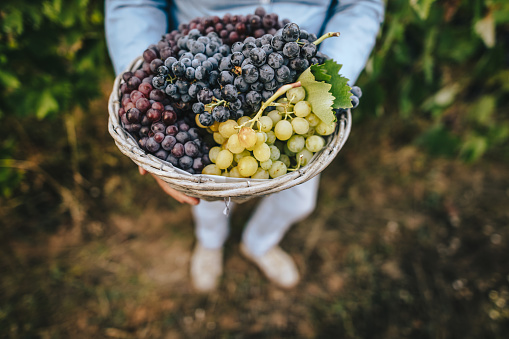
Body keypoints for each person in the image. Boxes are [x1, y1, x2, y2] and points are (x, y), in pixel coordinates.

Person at [105, 0, 385, 292]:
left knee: (299, 201)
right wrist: (141, 86)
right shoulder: (205, 82)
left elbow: (360, 6)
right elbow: (132, 4)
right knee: (206, 192)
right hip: (198, 57)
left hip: (299, 71)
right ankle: (210, 243)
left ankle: (259, 244)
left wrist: (325, 82)